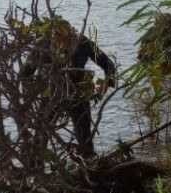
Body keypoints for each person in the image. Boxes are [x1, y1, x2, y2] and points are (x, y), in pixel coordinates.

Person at [22, 18, 117, 158]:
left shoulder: (82, 42)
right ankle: (34, 168)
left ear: (72, 34)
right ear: (52, 35)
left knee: (84, 136)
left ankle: (89, 166)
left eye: (67, 38)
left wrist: (104, 85)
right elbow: (25, 74)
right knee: (40, 136)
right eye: (58, 37)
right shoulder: (43, 44)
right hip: (50, 96)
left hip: (77, 95)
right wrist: (30, 99)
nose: (63, 42)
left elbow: (108, 64)